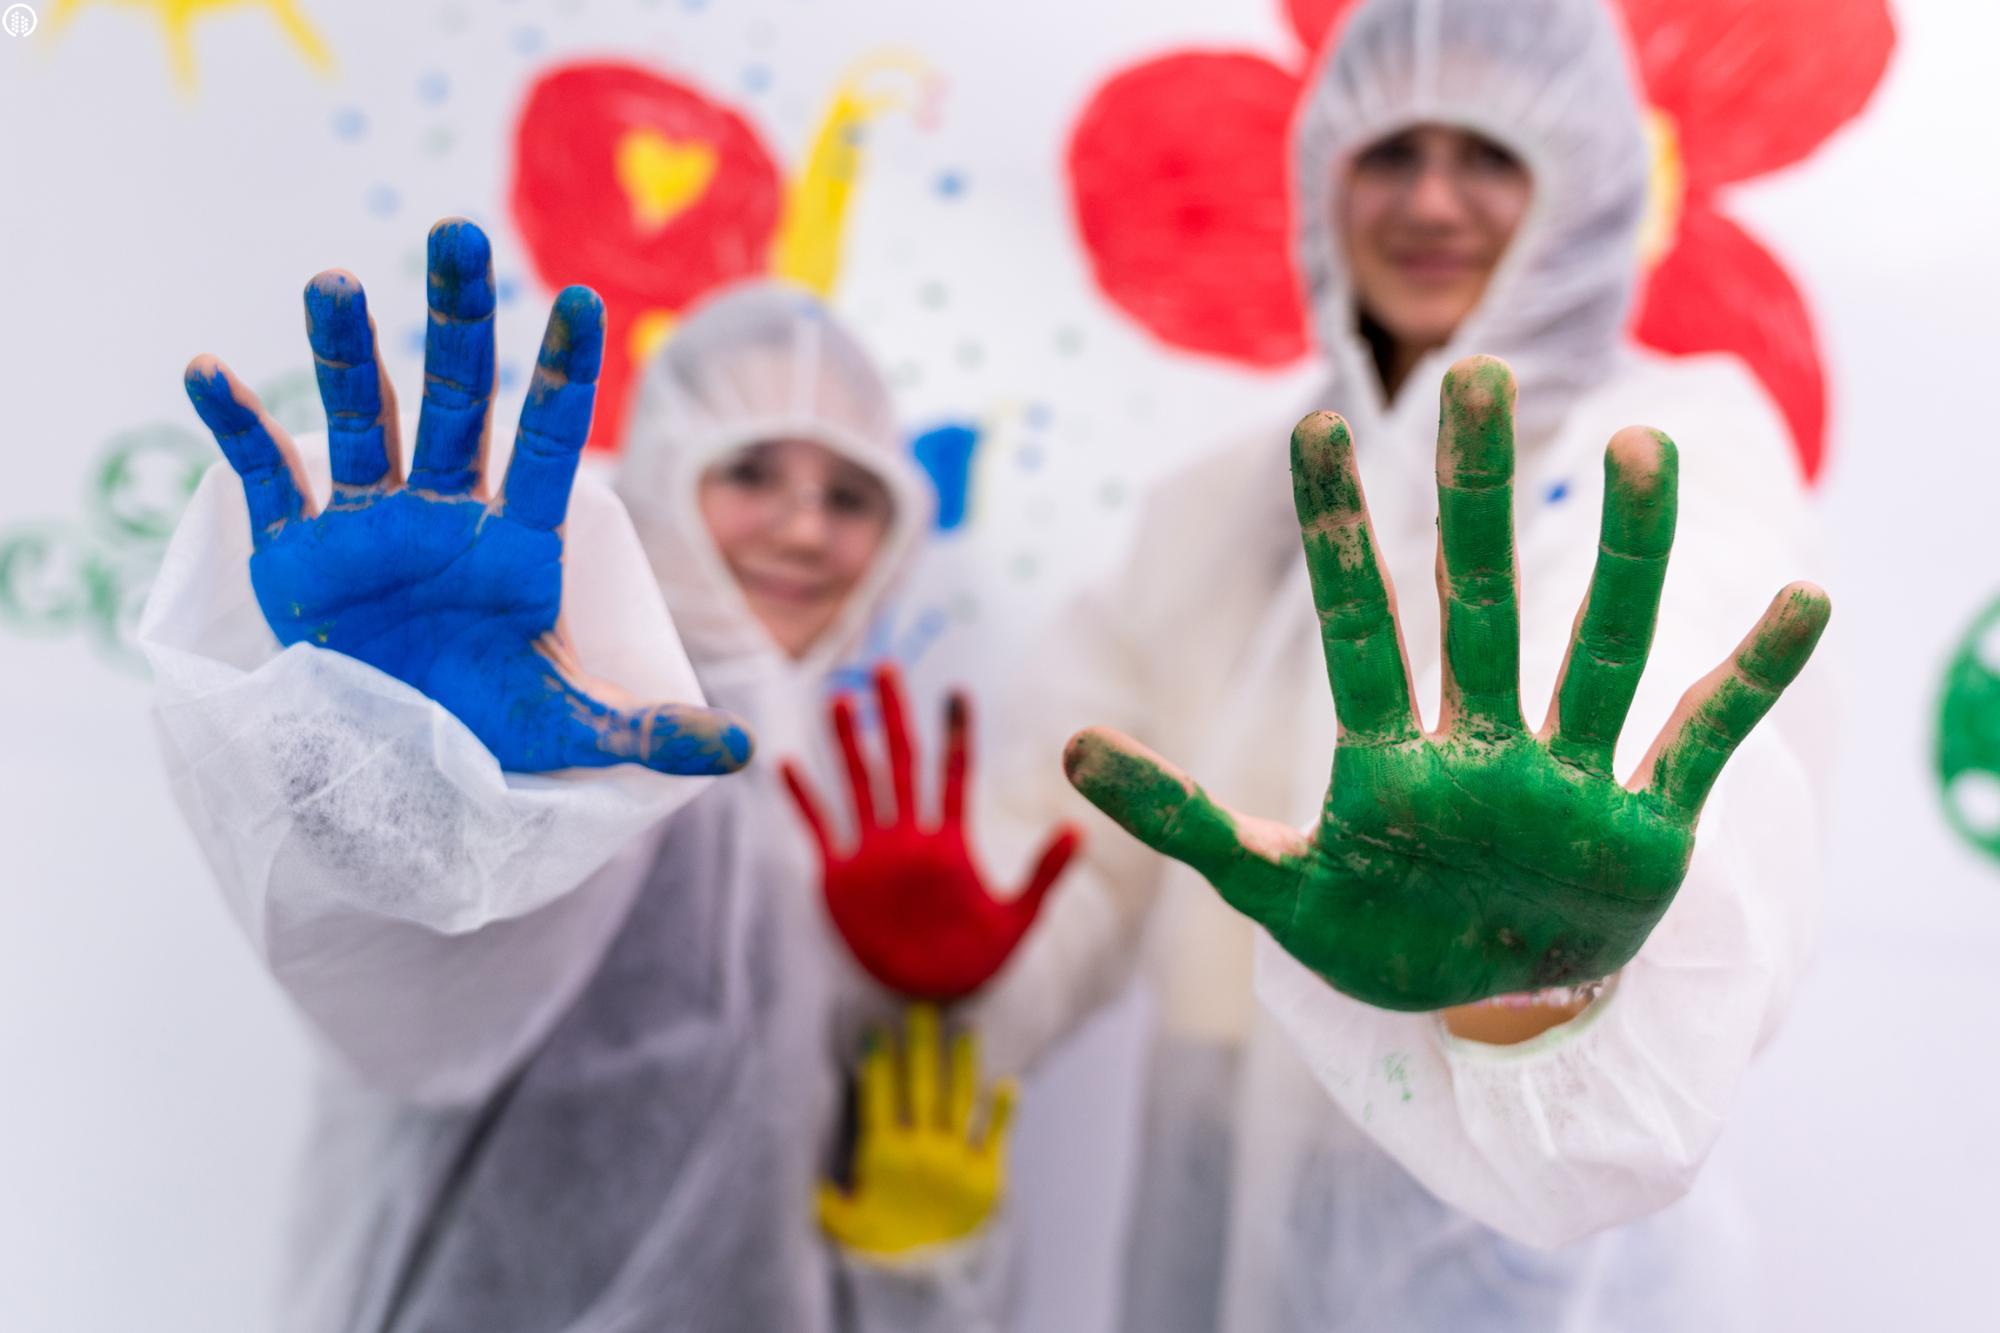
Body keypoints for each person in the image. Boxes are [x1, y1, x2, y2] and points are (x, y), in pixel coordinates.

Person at [971, 0, 1835, 1328]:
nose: (1431, 200)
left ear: (1586, 181)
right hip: (1211, 1180)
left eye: (1489, 152)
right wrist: (956, 974)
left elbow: (1689, 733)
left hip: (1516, 1237)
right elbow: (1065, 844)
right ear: (1324, 180)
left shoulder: (1668, 446)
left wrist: (1528, 968)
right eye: (1390, 152)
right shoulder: (1219, 508)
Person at [141, 221, 1028, 1331]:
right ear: (662, 471)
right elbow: (412, 1004)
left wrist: (918, 1262)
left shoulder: (853, 799)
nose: (806, 528)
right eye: (751, 471)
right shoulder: (575, 731)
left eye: (851, 496)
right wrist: (414, 766)